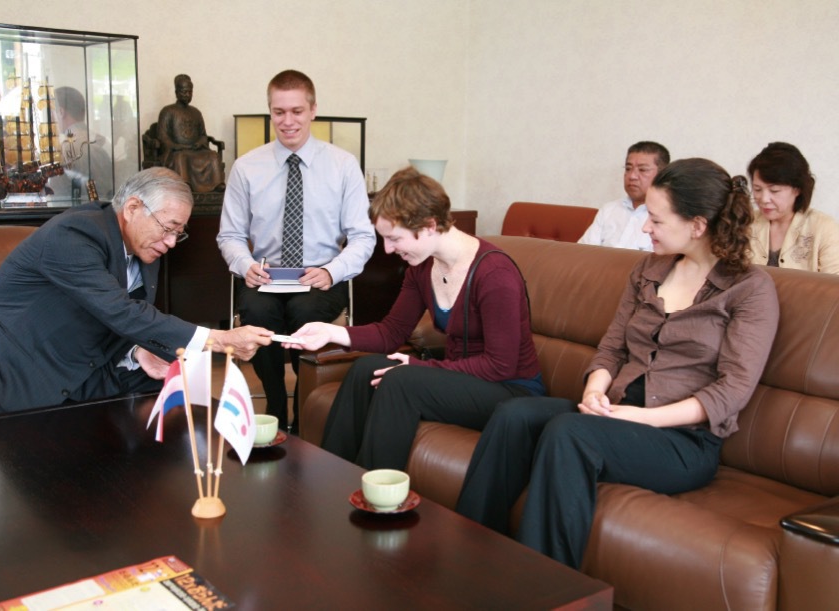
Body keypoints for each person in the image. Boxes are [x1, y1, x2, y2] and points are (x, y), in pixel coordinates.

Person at [456, 158, 779, 569]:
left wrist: (642, 418)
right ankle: (468, 556)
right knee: (514, 415)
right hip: (617, 414)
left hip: (682, 441)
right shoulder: (647, 270)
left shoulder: (749, 289)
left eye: (656, 220)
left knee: (570, 433)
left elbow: (732, 390)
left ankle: (545, 587)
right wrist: (595, 392)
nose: (645, 228)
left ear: (697, 225)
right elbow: (612, 347)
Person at [0, 167, 273, 421]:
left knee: (174, 389)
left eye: (179, 233)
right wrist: (218, 339)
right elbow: (120, 310)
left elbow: (115, 319)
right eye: (168, 228)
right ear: (133, 208)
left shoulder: (145, 248)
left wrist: (136, 351)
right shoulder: (74, 235)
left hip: (75, 367)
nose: (171, 242)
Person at [287, 166, 544, 470]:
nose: (388, 249)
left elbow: (500, 365)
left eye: (394, 238)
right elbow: (391, 332)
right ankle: (331, 478)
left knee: (401, 381)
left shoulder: (495, 274)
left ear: (430, 225)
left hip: (509, 389)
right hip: (460, 379)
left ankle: (376, 491)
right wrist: (330, 333)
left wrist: (419, 367)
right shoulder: (422, 267)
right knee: (365, 369)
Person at [217, 69, 375, 432]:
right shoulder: (246, 168)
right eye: (279, 112)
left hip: (320, 276)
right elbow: (230, 235)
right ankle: (275, 404)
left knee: (305, 311)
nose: (287, 121)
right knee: (257, 312)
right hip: (266, 274)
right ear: (270, 111)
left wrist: (333, 271)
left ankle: (305, 410)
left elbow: (363, 237)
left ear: (313, 110)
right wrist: (244, 264)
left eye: (297, 111)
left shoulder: (343, 165)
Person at [747, 141, 839, 273]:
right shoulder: (746, 223)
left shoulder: (824, 228)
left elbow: (834, 283)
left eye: (774, 191)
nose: (764, 199)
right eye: (757, 189)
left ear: (797, 189)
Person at [578, 141, 671, 250]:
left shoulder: (670, 215)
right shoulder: (609, 209)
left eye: (642, 170)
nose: (632, 176)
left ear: (662, 175)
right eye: (628, 168)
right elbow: (583, 251)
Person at [157, 74, 225, 193]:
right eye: (184, 92)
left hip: (195, 149)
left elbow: (203, 135)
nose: (187, 95)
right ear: (177, 92)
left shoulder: (196, 112)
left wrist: (199, 143)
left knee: (213, 156)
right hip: (177, 150)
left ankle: (217, 184)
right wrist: (176, 146)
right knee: (181, 157)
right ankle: (185, 184)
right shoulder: (167, 111)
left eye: (190, 92)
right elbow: (163, 136)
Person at [52, 86, 114, 199]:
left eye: (52, 112)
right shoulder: (105, 143)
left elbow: (57, 195)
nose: (52, 118)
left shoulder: (64, 149)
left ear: (61, 112)